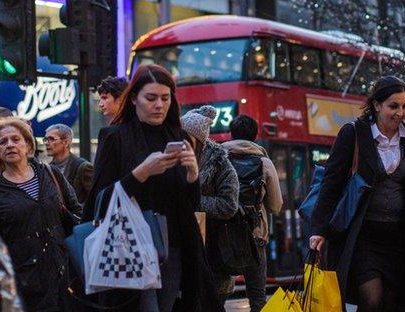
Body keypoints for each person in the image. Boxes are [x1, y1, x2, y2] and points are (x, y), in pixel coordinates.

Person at [85, 64, 223, 312]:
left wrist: (193, 173)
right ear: (134, 98)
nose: (159, 105)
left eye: (165, 98)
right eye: (151, 98)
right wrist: (141, 173)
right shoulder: (114, 137)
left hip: (174, 247)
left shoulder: (179, 136)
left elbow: (189, 204)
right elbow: (101, 200)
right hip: (127, 246)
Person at [309, 75, 405, 311]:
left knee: (393, 302)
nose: (401, 113)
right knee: (371, 300)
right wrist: (318, 229)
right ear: (376, 105)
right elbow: (331, 183)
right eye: (393, 106)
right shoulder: (354, 133)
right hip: (363, 236)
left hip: (399, 238)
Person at [0, 117, 81, 311]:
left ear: (28, 144)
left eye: (16, 139)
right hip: (22, 282)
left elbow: (76, 211)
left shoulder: (50, 174)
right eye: (3, 142)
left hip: (64, 275)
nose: (10, 145)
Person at [221, 114, 283, 312]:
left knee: (218, 295)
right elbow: (275, 206)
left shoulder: (219, 158)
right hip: (254, 236)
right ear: (255, 135)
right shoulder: (264, 163)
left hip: (222, 234)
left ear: (231, 134)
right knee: (257, 296)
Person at [180, 106, 239, 304]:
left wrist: (194, 201)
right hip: (183, 250)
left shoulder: (220, 164)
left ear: (198, 140)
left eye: (185, 137)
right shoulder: (174, 158)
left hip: (214, 251)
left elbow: (229, 205)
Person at [45, 123, 94, 205]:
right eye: (45, 139)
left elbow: (94, 198)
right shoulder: (47, 168)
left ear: (66, 142)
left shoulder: (83, 167)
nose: (46, 143)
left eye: (51, 139)